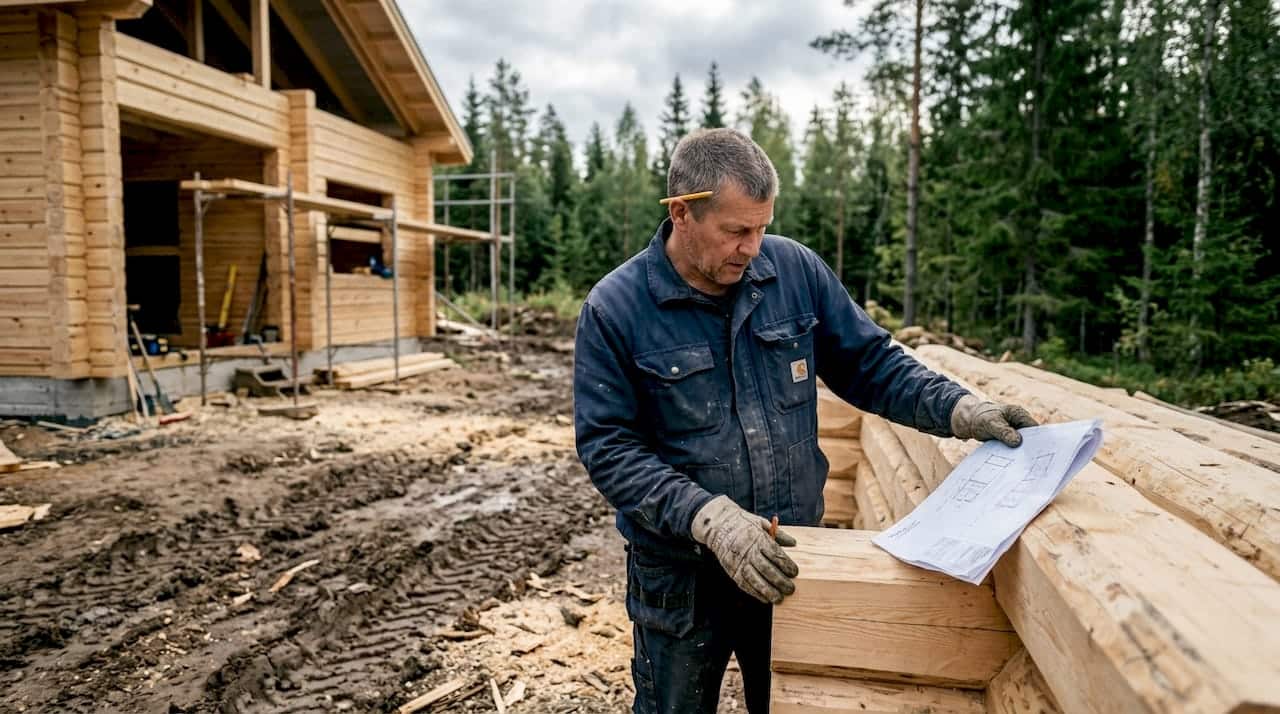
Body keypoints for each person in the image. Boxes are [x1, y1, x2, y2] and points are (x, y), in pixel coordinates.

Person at [572, 128, 1036, 714]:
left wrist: (959, 408)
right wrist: (708, 518)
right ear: (682, 212)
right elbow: (610, 449)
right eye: (737, 231)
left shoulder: (793, 272)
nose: (752, 246)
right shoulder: (616, 308)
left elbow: (870, 364)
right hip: (681, 579)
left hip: (789, 554)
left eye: (763, 227)